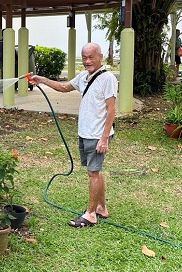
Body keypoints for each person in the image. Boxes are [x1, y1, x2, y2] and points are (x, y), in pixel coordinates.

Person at [31, 43, 118, 227]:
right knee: (95, 171)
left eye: (91, 57)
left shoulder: (108, 78)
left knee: (93, 172)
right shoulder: (84, 77)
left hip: (97, 134)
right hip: (86, 132)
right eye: (84, 57)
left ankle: (90, 215)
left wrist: (104, 138)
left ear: (100, 57)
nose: (87, 61)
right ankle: (101, 208)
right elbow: (63, 87)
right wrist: (41, 80)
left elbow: (111, 109)